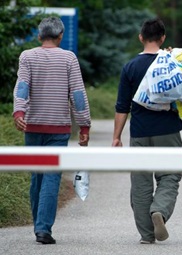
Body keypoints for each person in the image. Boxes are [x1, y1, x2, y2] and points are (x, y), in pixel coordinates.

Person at [112, 18, 182, 244]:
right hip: (168, 129)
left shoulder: (130, 67)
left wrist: (116, 137)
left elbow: (122, 106)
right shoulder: (172, 62)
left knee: (141, 181)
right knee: (170, 175)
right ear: (163, 38)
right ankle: (160, 211)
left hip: (140, 131)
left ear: (141, 37)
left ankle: (147, 235)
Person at [13, 17, 91, 245]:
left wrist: (19, 112)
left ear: (39, 36)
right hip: (58, 128)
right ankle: (43, 228)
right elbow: (77, 93)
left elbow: (23, 86)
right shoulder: (68, 58)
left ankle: (39, 225)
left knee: (37, 176)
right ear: (60, 37)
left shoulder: (27, 56)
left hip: (33, 126)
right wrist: (84, 124)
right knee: (51, 177)